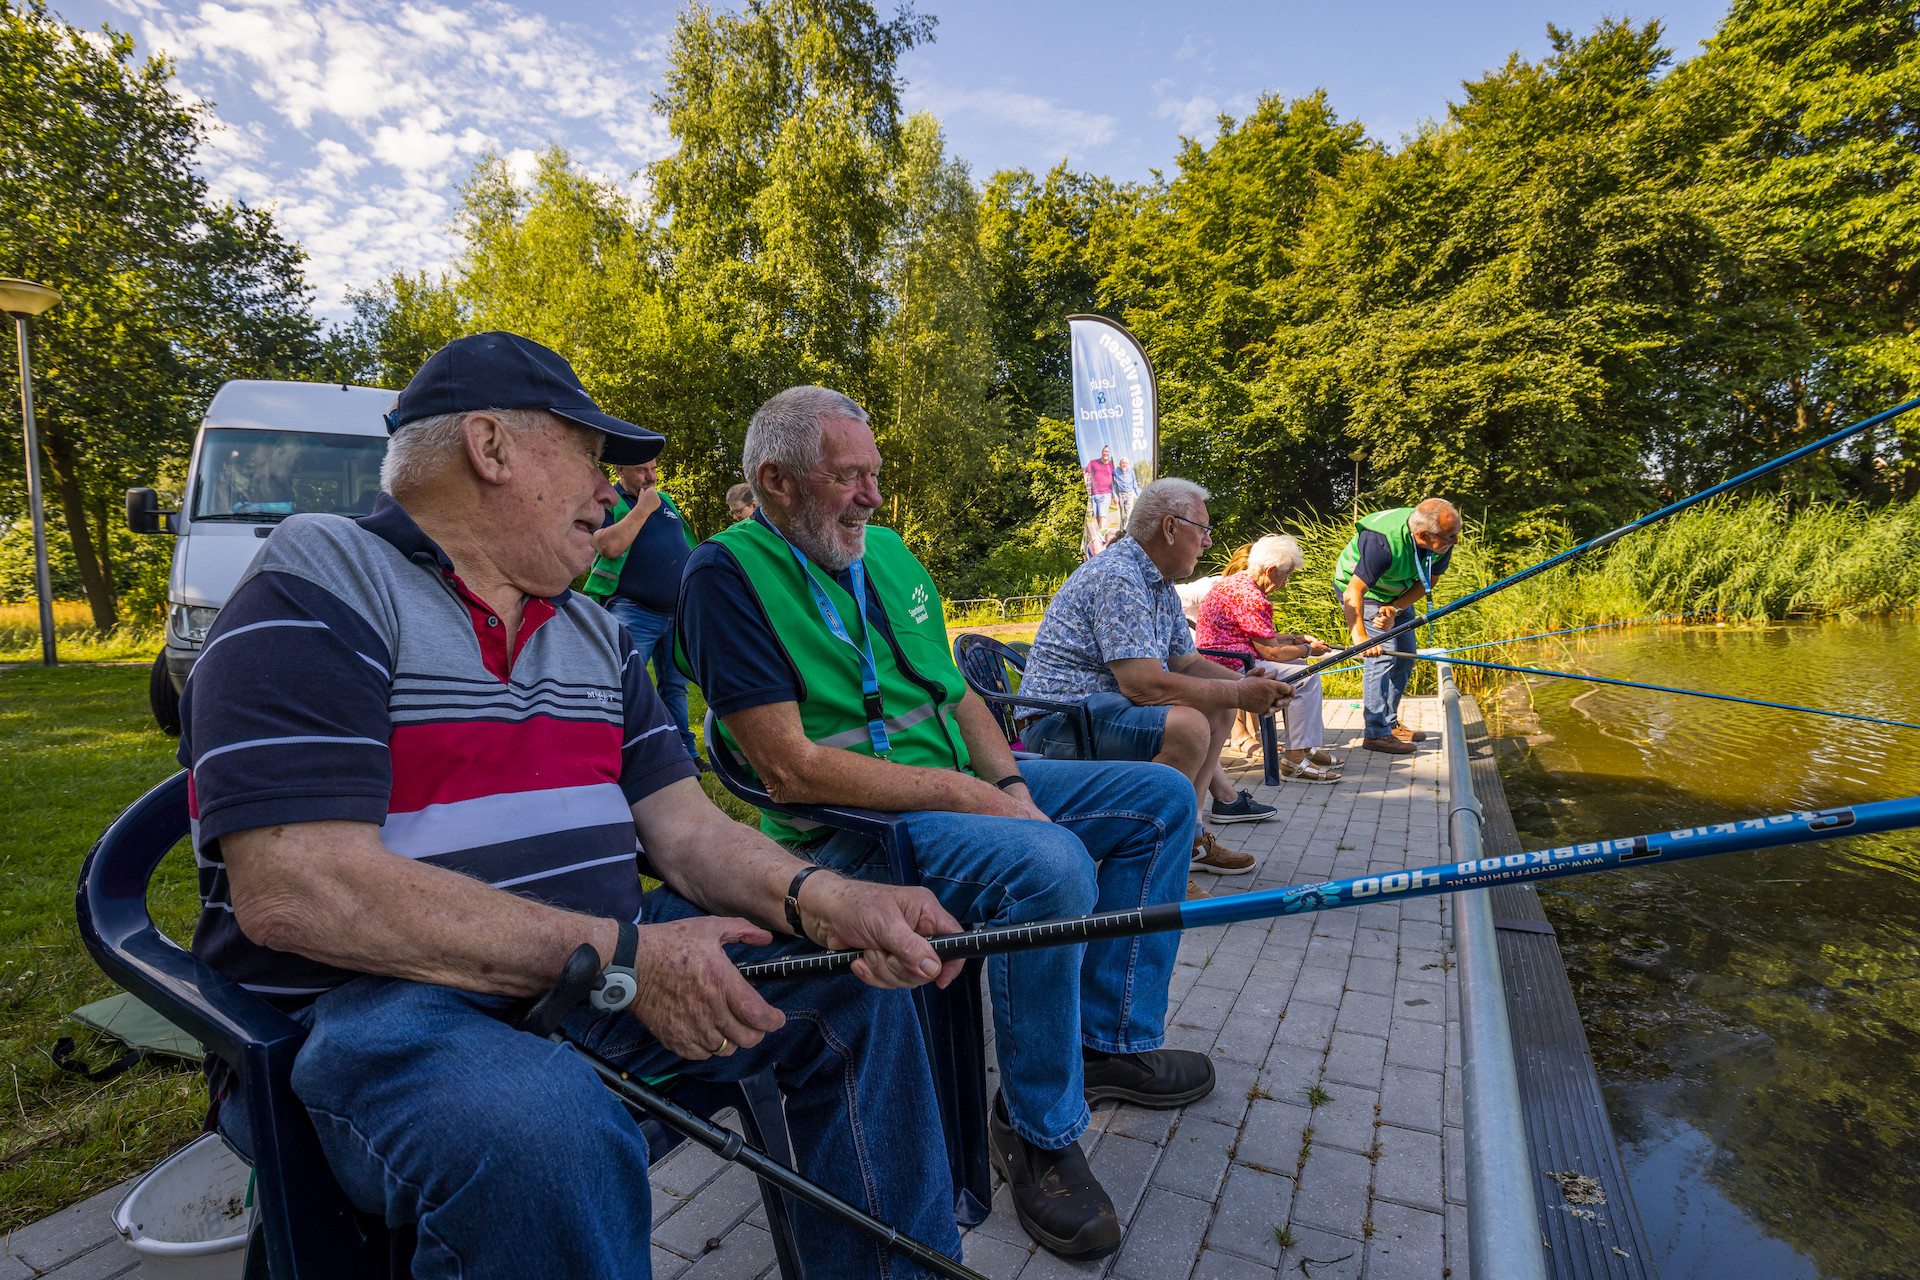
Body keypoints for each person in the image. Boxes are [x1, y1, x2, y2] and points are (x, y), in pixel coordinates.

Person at [179, 333, 966, 1280]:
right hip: (376, 1009)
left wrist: (833, 901)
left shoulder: (592, 631)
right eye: (592, 458)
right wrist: (624, 957)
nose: (611, 492)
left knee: (855, 985)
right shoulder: (321, 582)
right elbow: (299, 889)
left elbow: (689, 831)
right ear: (489, 447)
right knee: (546, 1134)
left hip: (594, 973)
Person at [677, 387, 1206, 1262]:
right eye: (848, 477)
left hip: (957, 786)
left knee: (1162, 801)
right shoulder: (722, 575)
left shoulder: (885, 552)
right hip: (854, 829)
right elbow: (787, 767)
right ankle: (1035, 1129)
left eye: (874, 473)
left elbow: (957, 696)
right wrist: (976, 800)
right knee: (1050, 866)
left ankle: (1105, 1040)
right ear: (775, 481)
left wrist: (1009, 782)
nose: (873, 496)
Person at [1016, 479, 1292, 876]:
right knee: (1188, 726)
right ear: (1170, 528)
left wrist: (1247, 687)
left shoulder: (1158, 582)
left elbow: (1186, 663)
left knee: (1219, 709)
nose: (1208, 542)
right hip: (1059, 723)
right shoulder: (1118, 576)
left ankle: (1189, 840)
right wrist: (1240, 692)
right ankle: (1158, 863)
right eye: (1203, 529)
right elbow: (1142, 684)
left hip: (1098, 714)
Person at [1195, 535, 1344, 783]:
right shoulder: (1252, 598)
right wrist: (1308, 650)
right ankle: (1294, 761)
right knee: (1305, 677)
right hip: (1231, 665)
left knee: (1301, 669)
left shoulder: (1236, 582)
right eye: (1286, 576)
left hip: (1222, 658)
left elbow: (1260, 636)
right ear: (1271, 570)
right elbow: (1271, 652)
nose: (1285, 583)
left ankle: (1305, 747)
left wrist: (1296, 639)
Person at [585, 451, 698, 759]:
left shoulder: (667, 502)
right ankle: (619, 753)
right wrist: (644, 508)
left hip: (676, 613)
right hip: (633, 610)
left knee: (675, 687)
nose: (651, 477)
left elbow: (687, 547)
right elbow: (607, 545)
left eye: (653, 469)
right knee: (623, 683)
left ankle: (684, 753)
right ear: (619, 469)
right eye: (641, 470)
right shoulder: (609, 502)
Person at [1334, 498, 1463, 755]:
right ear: (1423, 535)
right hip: (1363, 593)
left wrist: (1395, 609)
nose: (1456, 541)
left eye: (1457, 534)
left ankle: (1390, 724)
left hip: (1397, 594)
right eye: (1450, 537)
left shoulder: (1442, 537)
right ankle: (1376, 733)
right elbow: (1353, 591)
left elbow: (1428, 581)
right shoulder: (1382, 542)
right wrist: (1360, 637)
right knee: (1381, 655)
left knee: (1405, 655)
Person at [1083, 444, 1116, 529]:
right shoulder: (1093, 462)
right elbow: (1086, 474)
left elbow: (1113, 477)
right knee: (1097, 517)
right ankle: (1101, 533)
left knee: (1102, 516)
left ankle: (1102, 535)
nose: (1106, 453)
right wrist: (1085, 485)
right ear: (1102, 452)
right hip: (1095, 494)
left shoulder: (1110, 464)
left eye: (1108, 452)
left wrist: (1115, 494)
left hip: (1106, 493)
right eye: (1105, 451)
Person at [1111, 455, 1140, 524]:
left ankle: (1127, 529)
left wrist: (1139, 495)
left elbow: (1135, 484)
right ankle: (1121, 528)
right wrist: (1114, 495)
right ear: (1120, 464)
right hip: (1120, 494)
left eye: (1126, 463)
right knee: (1120, 514)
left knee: (1129, 514)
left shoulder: (1131, 471)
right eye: (1123, 463)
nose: (1124, 465)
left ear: (1128, 464)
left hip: (1129, 494)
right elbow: (1111, 483)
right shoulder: (1115, 471)